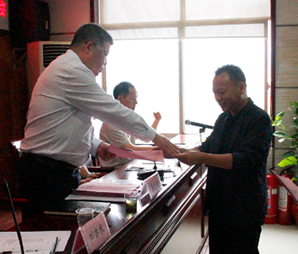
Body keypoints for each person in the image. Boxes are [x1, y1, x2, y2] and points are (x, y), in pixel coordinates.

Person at [18, 23, 179, 212]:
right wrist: (157, 138)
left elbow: (69, 124)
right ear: (89, 47)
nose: (106, 62)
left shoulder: (68, 68)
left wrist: (96, 146)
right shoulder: (71, 70)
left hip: (55, 172)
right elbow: (114, 112)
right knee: (55, 227)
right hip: (46, 174)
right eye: (105, 54)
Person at [174, 65, 272, 254]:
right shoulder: (223, 119)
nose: (218, 98)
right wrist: (184, 152)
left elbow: (244, 160)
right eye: (215, 93)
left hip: (245, 206)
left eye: (222, 92)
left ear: (241, 87)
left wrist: (201, 158)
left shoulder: (259, 119)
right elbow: (209, 147)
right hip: (219, 204)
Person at [99, 81, 162, 167]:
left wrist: (156, 121)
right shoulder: (110, 123)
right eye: (133, 99)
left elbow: (146, 137)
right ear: (120, 99)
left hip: (128, 167)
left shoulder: (127, 120)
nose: (136, 102)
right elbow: (130, 149)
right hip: (114, 170)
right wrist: (158, 150)